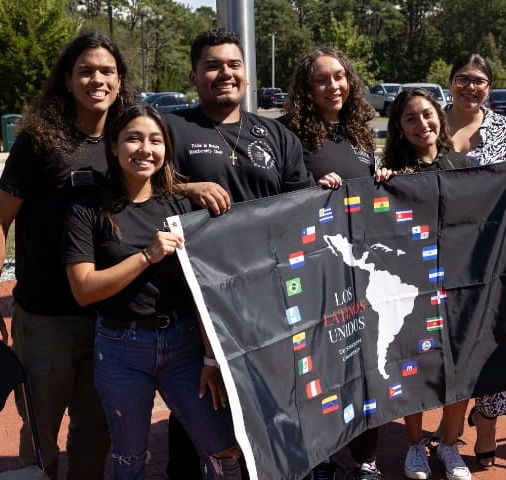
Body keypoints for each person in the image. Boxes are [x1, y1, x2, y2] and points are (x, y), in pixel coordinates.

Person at [0, 31, 135, 479]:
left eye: (106, 71)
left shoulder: (128, 141)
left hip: (109, 319)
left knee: (96, 429)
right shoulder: (39, 142)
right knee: (41, 431)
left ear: (120, 81)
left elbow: (159, 187)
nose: (96, 79)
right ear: (67, 80)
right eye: (86, 70)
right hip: (45, 320)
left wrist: (193, 186)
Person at [162, 27, 315, 479]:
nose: (224, 73)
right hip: (195, 297)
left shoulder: (276, 135)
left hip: (266, 290)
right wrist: (188, 186)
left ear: (247, 74)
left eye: (233, 64)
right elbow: (143, 186)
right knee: (198, 396)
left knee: (268, 388)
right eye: (212, 65)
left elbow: (300, 203)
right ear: (194, 75)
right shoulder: (173, 129)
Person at [62, 103, 243, 480]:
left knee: (223, 449)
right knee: (130, 458)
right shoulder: (86, 210)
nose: (145, 149)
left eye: (155, 140)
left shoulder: (180, 204)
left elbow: (203, 288)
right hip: (120, 348)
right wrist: (147, 255)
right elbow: (83, 290)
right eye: (133, 138)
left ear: (166, 150)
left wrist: (211, 359)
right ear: (114, 146)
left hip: (185, 346)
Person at [281, 46, 381, 480]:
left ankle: (367, 460)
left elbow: (374, 196)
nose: (333, 86)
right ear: (307, 87)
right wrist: (311, 189)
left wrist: (385, 181)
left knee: (363, 361)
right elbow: (283, 195)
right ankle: (318, 457)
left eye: (339, 76)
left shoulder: (360, 131)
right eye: (322, 79)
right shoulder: (290, 133)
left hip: (360, 268)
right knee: (319, 364)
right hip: (314, 269)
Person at [375, 88, 474, 480]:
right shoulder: (393, 173)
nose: (422, 124)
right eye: (411, 119)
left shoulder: (463, 165)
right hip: (411, 289)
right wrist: (381, 186)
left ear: (440, 117)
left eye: (428, 115)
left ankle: (449, 446)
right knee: (412, 366)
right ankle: (415, 445)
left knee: (460, 368)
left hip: (459, 286)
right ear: (399, 128)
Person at [442, 53, 506, 469]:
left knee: (496, 339)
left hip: (492, 256)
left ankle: (488, 421)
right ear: (450, 81)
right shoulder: (429, 123)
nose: (470, 87)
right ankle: (447, 429)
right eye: (463, 78)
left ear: (489, 88)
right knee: (446, 344)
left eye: (479, 81)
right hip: (438, 256)